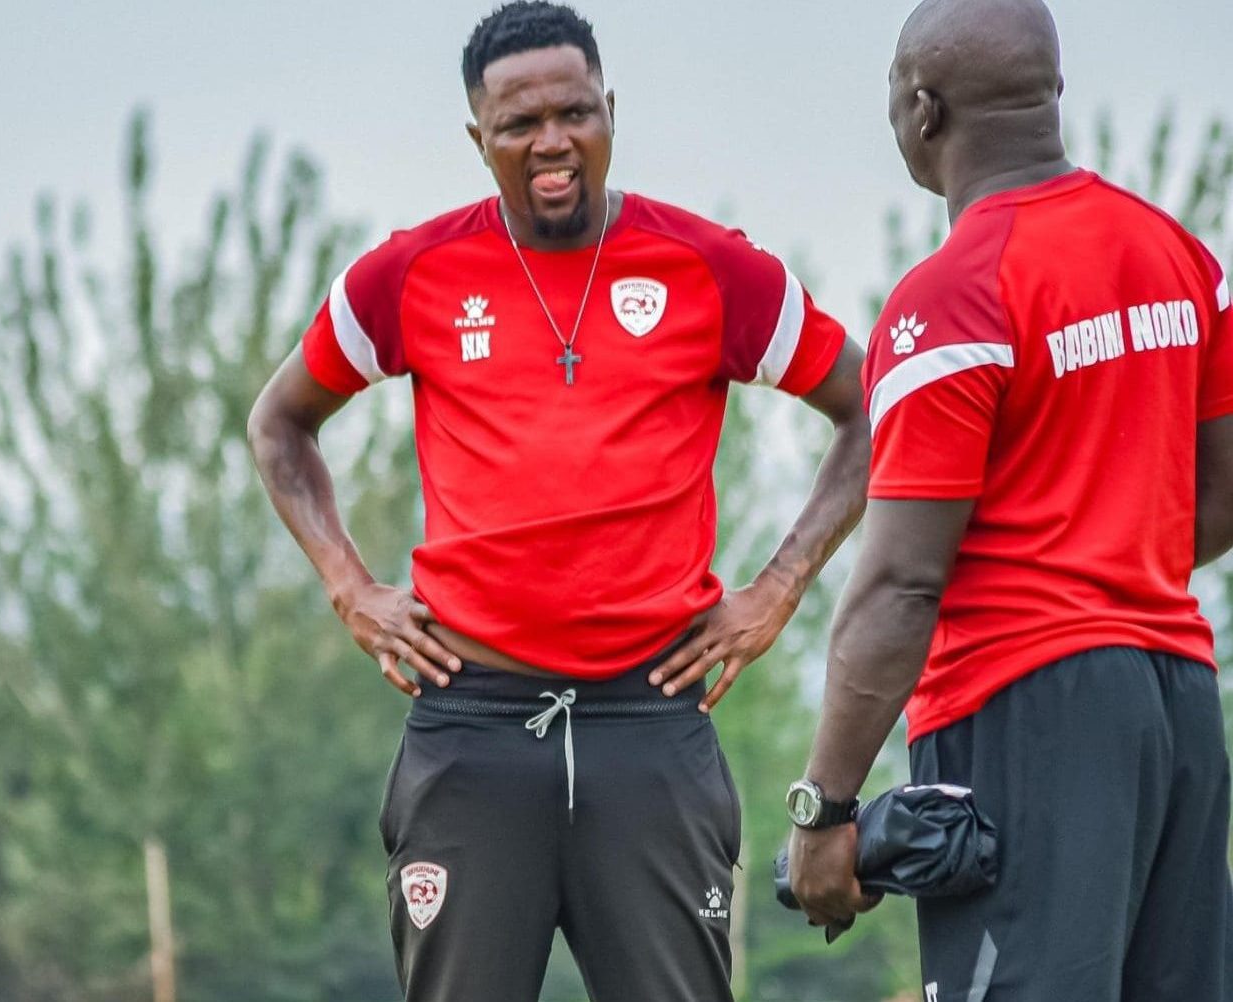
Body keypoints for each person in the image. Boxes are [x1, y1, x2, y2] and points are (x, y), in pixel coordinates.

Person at [246, 3, 868, 998]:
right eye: (518, 124)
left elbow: (870, 407)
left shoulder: (709, 267)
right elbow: (278, 424)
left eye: (574, 113)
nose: (552, 143)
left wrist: (780, 586)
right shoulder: (412, 273)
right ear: (476, 138)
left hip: (650, 723)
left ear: (610, 109)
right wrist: (350, 589)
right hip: (473, 729)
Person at [787, 1, 1233, 998]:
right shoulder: (1176, 254)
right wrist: (1112, 572)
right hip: (1180, 705)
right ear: (1053, 93)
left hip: (1028, 710)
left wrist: (823, 813)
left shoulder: (951, 297)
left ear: (921, 110)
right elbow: (1221, 497)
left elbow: (901, 585)